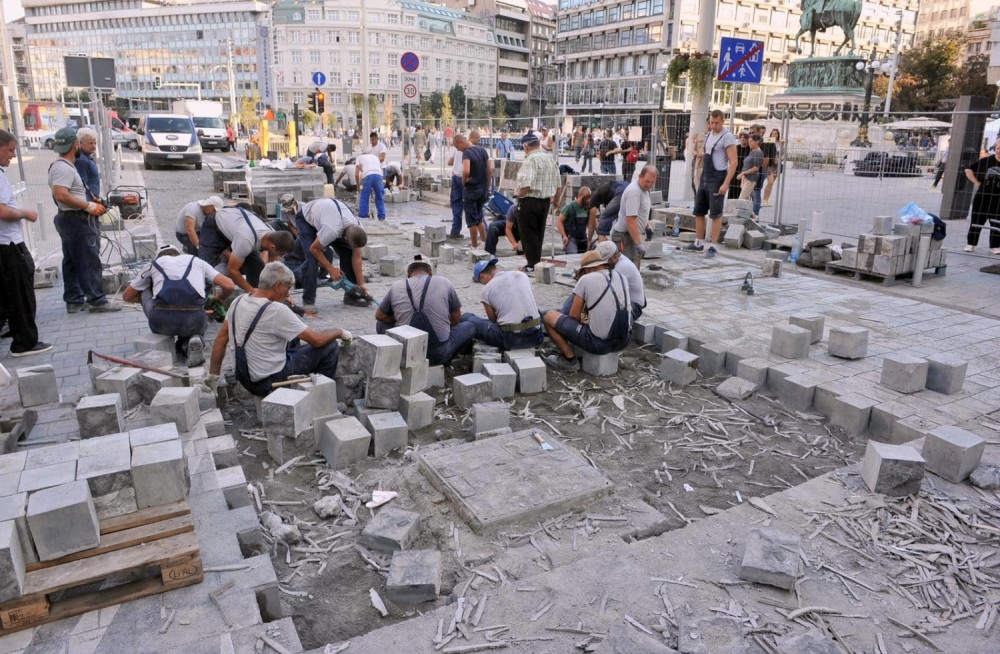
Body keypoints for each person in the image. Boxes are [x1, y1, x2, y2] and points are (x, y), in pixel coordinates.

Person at [206, 262, 351, 397]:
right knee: (330, 346)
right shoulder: (276, 310)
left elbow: (220, 340)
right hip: (269, 381)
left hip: (246, 378)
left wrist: (213, 378)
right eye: (287, 288)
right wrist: (339, 332)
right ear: (278, 286)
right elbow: (317, 341)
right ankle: (320, 398)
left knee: (294, 334)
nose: (288, 294)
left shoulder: (238, 301)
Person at [48, 127, 120, 314]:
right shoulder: (63, 167)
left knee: (72, 261)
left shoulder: (66, 166)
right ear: (75, 145)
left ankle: (74, 300)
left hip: (71, 219)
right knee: (89, 260)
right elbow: (61, 195)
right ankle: (97, 300)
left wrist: (91, 200)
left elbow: (69, 192)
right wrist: (87, 206)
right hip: (76, 220)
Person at [124, 245, 234, 366]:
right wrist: (220, 298)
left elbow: (127, 296)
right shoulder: (196, 261)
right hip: (194, 321)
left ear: (159, 256)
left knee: (142, 288)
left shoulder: (153, 264)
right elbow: (229, 285)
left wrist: (149, 294)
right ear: (178, 254)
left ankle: (170, 340)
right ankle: (191, 342)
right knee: (193, 324)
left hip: (161, 322)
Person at [0, 129, 51, 357]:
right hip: (9, 245)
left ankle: (16, 332)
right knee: (20, 294)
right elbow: (1, 210)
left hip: (7, 244)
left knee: (11, 294)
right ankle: (24, 342)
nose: (12, 156)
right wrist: (24, 213)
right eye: (10, 150)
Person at [541, 250, 632, 372]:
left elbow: (573, 315)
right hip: (624, 341)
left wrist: (580, 322)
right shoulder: (622, 277)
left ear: (587, 269)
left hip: (599, 344)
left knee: (548, 316)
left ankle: (569, 360)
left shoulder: (586, 279)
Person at [375, 259, 475, 365]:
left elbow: (379, 315)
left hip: (406, 353)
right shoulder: (444, 282)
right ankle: (451, 360)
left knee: (381, 324)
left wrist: (398, 316)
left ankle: (395, 353)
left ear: (408, 274)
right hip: (438, 354)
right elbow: (456, 318)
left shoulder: (396, 285)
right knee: (470, 326)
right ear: (431, 273)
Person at [294, 197, 370, 310]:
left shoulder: (358, 227)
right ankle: (308, 300)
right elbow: (314, 249)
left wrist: (361, 284)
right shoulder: (332, 230)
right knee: (312, 260)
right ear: (345, 237)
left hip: (328, 217)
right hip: (307, 219)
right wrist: (330, 268)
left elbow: (356, 258)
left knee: (348, 253)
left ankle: (351, 295)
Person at [198, 205, 294, 292]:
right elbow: (232, 271)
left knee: (257, 265)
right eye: (280, 254)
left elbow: (270, 265)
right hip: (215, 226)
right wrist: (250, 290)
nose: (280, 256)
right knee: (205, 271)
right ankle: (199, 303)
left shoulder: (272, 235)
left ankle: (257, 299)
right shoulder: (246, 240)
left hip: (238, 226)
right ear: (273, 247)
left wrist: (283, 293)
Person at [684, 110, 738, 258]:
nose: (713, 126)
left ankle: (713, 246)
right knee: (699, 211)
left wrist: (726, 183)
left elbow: (734, 162)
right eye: (711, 123)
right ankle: (698, 242)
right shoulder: (708, 135)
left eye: (716, 123)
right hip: (705, 177)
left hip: (718, 178)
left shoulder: (727, 137)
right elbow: (708, 154)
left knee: (715, 214)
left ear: (723, 121)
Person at [461, 258, 544, 351]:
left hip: (511, 339)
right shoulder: (522, 275)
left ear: (483, 277)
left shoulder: (487, 289)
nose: (483, 284)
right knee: (537, 311)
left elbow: (493, 320)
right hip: (537, 336)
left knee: (468, 318)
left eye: (482, 282)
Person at [515, 133, 562, 274]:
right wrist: (557, 200)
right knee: (539, 233)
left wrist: (517, 194)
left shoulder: (530, 160)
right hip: (545, 201)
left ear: (526, 146)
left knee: (528, 233)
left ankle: (531, 264)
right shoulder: (549, 159)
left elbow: (526, 185)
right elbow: (559, 183)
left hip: (529, 200)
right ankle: (536, 262)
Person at [610, 165, 657, 266]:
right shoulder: (634, 192)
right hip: (625, 236)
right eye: (647, 181)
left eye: (652, 182)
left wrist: (647, 226)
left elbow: (642, 211)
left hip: (632, 235)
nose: (649, 185)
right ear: (640, 176)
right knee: (628, 269)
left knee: (633, 270)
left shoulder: (644, 190)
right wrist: (639, 244)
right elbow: (630, 220)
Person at [457, 133, 492, 249]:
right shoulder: (482, 150)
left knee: (472, 221)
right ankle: (485, 244)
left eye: (457, 147)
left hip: (471, 191)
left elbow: (466, 171)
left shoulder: (467, 153)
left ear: (462, 142)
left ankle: (474, 247)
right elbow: (489, 170)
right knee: (479, 218)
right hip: (482, 190)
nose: (458, 150)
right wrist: (487, 187)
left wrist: (464, 181)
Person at [963, 146, 1000, 254]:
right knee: (977, 219)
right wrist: (976, 182)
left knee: (997, 223)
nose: (999, 151)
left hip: (998, 199)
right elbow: (968, 169)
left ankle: (995, 246)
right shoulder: (986, 160)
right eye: (998, 148)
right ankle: (971, 244)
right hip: (983, 196)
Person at [596, 241, 644, 320]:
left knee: (614, 320)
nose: (603, 265)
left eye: (606, 262)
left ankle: (626, 331)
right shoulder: (616, 262)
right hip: (622, 300)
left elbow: (607, 291)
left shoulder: (623, 266)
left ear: (615, 256)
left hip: (634, 305)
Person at [558, 186, 592, 254]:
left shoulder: (588, 208)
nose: (588, 200)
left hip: (583, 238)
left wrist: (602, 233)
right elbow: (559, 221)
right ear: (580, 196)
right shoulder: (569, 207)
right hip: (571, 239)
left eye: (589, 198)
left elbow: (594, 222)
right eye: (586, 198)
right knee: (573, 255)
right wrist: (564, 236)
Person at [737, 134, 764, 218]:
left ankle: (742, 216)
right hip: (745, 178)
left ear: (757, 142)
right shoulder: (752, 152)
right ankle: (753, 216)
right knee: (747, 199)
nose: (749, 143)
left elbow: (756, 168)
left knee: (742, 198)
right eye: (749, 142)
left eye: (751, 141)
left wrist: (743, 173)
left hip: (751, 178)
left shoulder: (758, 153)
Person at [355, 151, 386, 220]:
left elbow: (357, 174)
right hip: (379, 176)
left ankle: (363, 216)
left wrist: (358, 185)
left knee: (364, 197)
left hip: (367, 177)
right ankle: (382, 216)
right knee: (380, 197)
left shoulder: (359, 157)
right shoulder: (375, 157)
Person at [74, 127, 100, 202]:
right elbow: (82, 186)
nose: (94, 146)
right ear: (80, 143)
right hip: (88, 203)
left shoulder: (86, 158)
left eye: (95, 143)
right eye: (90, 143)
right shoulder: (82, 161)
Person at [446, 136, 466, 240]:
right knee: (472, 206)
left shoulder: (461, 150)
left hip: (457, 177)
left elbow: (449, 162)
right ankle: (484, 230)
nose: (457, 148)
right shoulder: (464, 149)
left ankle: (455, 231)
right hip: (462, 178)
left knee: (457, 205)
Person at [762, 128, 782, 206]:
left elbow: (782, 153)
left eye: (776, 134)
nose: (774, 135)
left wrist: (780, 158)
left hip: (777, 164)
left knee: (772, 183)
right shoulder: (768, 141)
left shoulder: (779, 143)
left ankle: (767, 199)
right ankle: (764, 199)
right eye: (773, 133)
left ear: (778, 135)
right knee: (769, 182)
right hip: (770, 164)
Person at [729, 131, 750, 200]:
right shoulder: (736, 147)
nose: (743, 139)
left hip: (745, 171)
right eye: (741, 137)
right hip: (735, 170)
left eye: (744, 137)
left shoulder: (750, 149)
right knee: (733, 188)